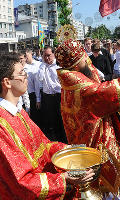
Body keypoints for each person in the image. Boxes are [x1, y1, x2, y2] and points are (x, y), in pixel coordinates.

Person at [0, 52, 95, 199]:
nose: (26, 76)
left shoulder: (19, 112)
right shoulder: (2, 125)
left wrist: (73, 150)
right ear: (7, 82)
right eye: (21, 73)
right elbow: (19, 182)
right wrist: (63, 179)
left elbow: (45, 145)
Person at [55, 39, 120, 193]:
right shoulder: (81, 88)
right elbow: (104, 92)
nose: (87, 60)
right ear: (75, 64)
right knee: (102, 187)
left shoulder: (68, 84)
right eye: (83, 58)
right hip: (95, 145)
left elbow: (93, 78)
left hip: (80, 141)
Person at [35, 46, 67, 143]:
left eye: (49, 55)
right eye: (44, 56)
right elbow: (39, 79)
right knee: (51, 121)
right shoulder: (42, 66)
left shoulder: (59, 65)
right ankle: (56, 141)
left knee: (62, 120)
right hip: (48, 98)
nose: (47, 58)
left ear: (54, 54)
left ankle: (64, 140)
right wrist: (43, 66)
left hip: (59, 96)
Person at [24, 48, 42, 126]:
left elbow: (38, 83)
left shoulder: (39, 64)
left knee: (38, 116)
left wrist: (38, 98)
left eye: (26, 55)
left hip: (37, 93)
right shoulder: (24, 67)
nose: (25, 58)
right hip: (27, 95)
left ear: (31, 54)